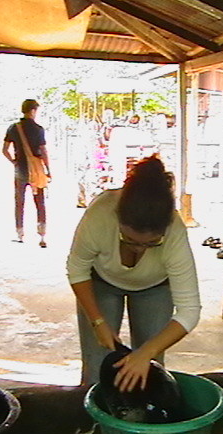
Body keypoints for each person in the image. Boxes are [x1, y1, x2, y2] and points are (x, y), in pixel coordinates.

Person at [67, 155, 201, 392]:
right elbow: (77, 269)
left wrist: (146, 353)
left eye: (151, 244)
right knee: (98, 366)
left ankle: (141, 425)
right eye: (129, 240)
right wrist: (97, 321)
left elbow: (189, 311)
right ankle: (94, 422)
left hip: (155, 287)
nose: (139, 249)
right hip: (102, 282)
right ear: (118, 219)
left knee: (148, 368)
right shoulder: (100, 215)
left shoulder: (175, 231)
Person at [2, 99, 51, 247]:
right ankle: (42, 235)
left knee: (19, 201)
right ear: (33, 111)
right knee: (40, 202)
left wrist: (14, 161)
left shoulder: (13, 128)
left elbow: (4, 150)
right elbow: (43, 151)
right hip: (36, 170)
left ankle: (20, 233)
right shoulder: (38, 129)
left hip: (20, 170)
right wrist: (48, 169)